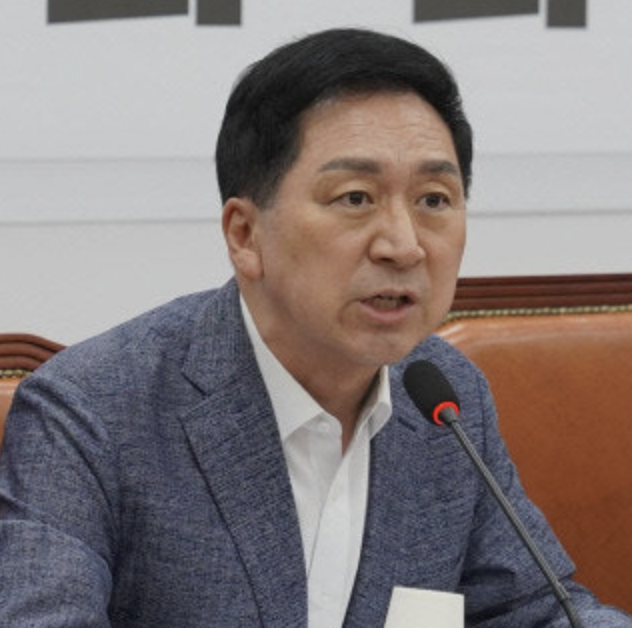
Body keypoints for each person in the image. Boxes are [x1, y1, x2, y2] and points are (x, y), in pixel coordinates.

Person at [0, 27, 629, 628]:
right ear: (245, 234)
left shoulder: (445, 399)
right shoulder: (94, 413)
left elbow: (538, 611)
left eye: (433, 199)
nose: (404, 245)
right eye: (355, 198)